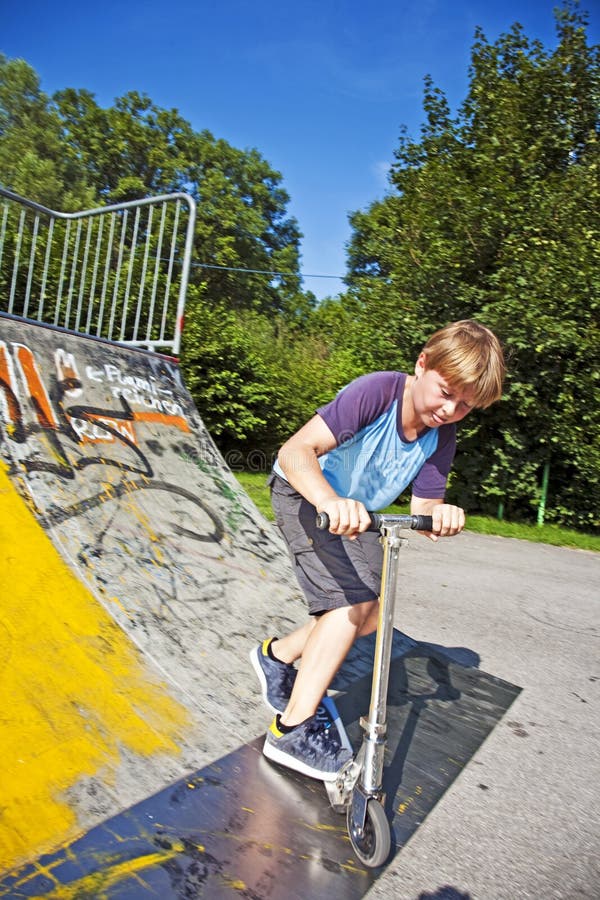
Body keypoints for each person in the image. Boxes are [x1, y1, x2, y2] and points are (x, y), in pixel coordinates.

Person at [250, 319, 505, 782]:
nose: (450, 410)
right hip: (307, 495)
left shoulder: (440, 435)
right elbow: (295, 450)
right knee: (348, 605)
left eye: (466, 406)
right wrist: (328, 500)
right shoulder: (377, 393)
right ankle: (291, 729)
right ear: (422, 364)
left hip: (359, 514)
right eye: (445, 392)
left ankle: (277, 656)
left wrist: (441, 516)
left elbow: (425, 505)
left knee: (370, 615)